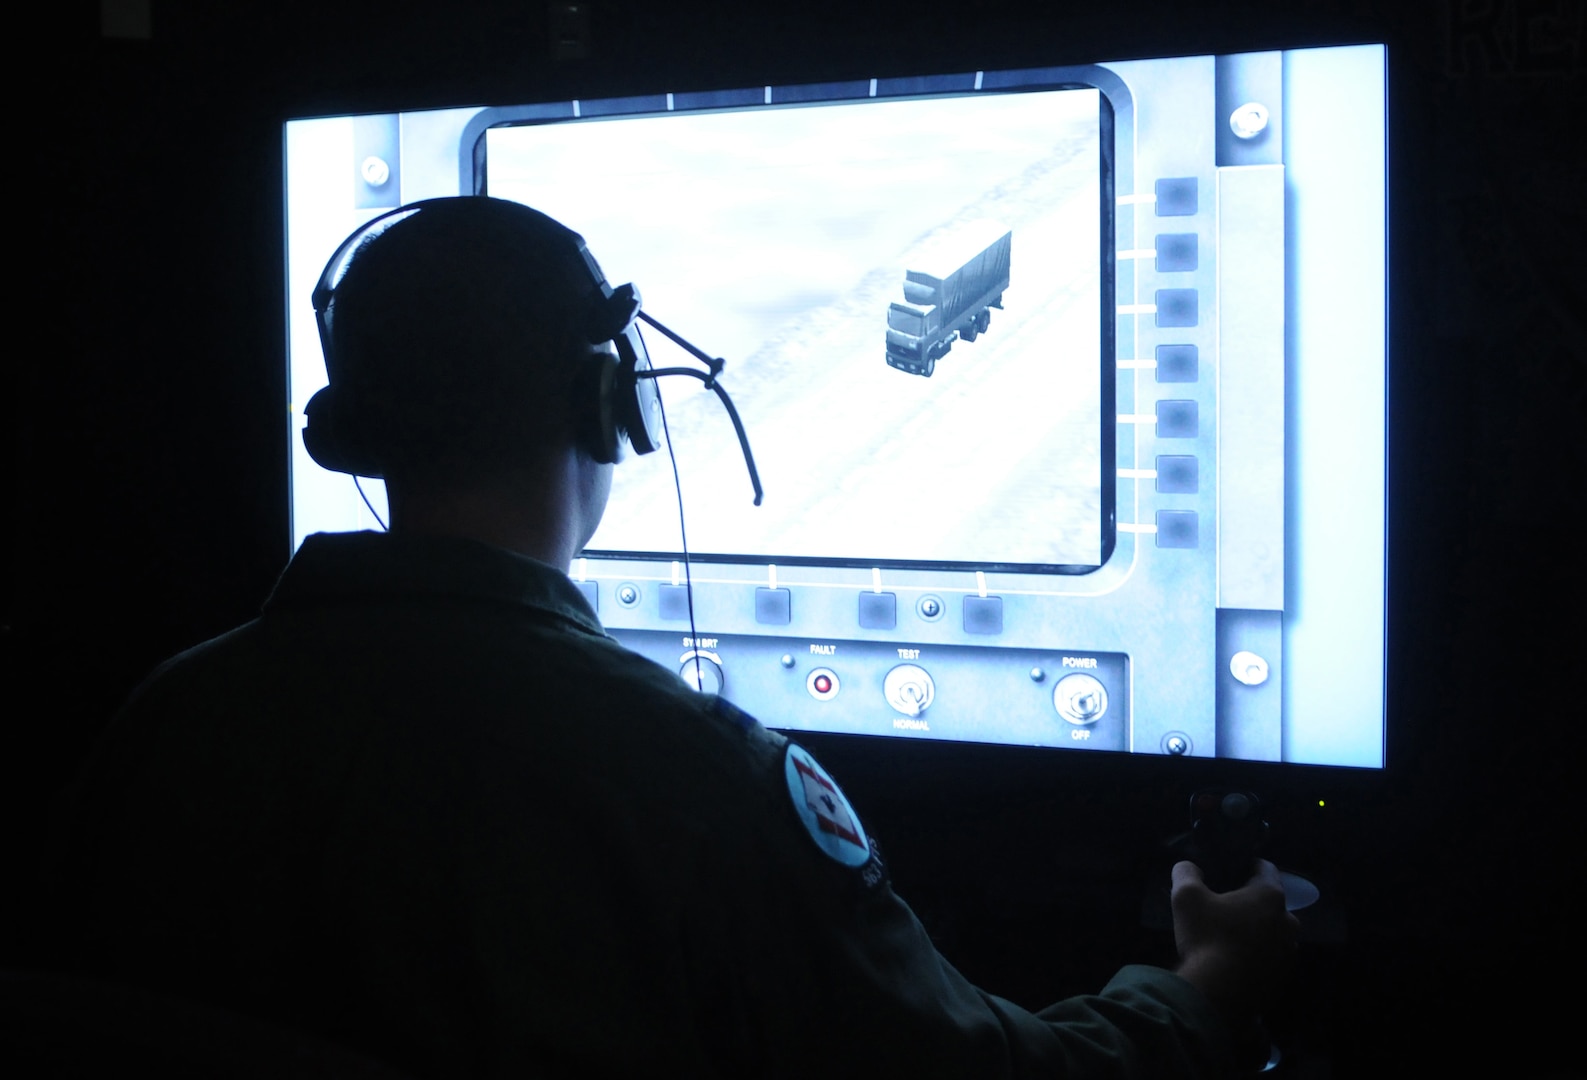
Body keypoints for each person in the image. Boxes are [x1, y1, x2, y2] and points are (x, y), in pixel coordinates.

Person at [47, 197, 1298, 1077]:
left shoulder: (161, 723)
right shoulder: (697, 782)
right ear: (608, 407)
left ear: (354, 435)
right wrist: (1204, 998)